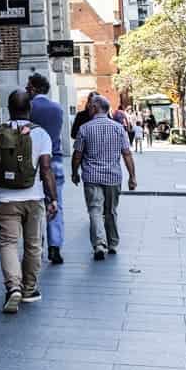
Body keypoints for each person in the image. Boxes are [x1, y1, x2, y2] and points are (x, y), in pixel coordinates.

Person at [0, 90, 58, 314]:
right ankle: (29, 289)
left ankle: (13, 287)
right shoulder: (41, 134)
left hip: (6, 200)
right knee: (33, 245)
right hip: (34, 198)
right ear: (30, 109)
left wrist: (1, 180)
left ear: (8, 108)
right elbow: (46, 169)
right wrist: (52, 198)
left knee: (8, 243)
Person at [72, 94, 138, 261]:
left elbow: (77, 154)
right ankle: (113, 243)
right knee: (110, 211)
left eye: (90, 106)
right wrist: (132, 177)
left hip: (91, 177)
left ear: (95, 108)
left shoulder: (85, 128)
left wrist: (74, 172)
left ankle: (99, 244)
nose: (88, 108)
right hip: (113, 177)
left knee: (95, 210)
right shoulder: (118, 128)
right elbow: (127, 154)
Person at [24, 73, 67, 264]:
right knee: (56, 203)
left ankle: (37, 245)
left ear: (34, 88)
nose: (26, 90)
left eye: (28, 87)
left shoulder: (30, 107)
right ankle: (55, 246)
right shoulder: (57, 108)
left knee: (34, 207)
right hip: (55, 161)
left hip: (33, 163)